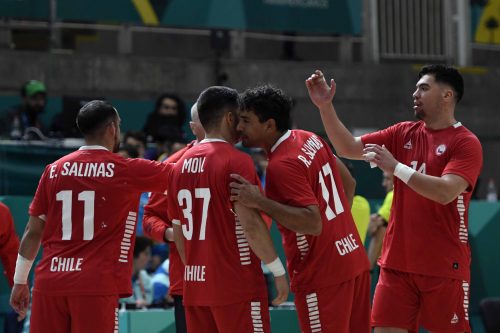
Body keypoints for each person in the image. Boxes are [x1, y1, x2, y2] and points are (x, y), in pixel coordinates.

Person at [305, 65, 483, 333]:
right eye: (416, 87)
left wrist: (396, 167)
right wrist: (325, 107)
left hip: (443, 266)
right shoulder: (403, 133)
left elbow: (446, 192)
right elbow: (347, 148)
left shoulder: (465, 142)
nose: (415, 93)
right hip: (396, 266)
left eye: (423, 88)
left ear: (447, 96)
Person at [9, 100, 173, 332]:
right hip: (95, 283)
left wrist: (19, 281)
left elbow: (32, 231)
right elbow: (181, 173)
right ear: (112, 129)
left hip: (50, 282)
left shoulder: (53, 170)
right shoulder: (125, 168)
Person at [231, 84, 371, 333]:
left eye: (246, 121)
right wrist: (336, 231)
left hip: (322, 274)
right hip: (352, 260)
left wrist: (259, 201)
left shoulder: (280, 165)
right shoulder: (310, 137)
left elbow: (312, 223)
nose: (239, 128)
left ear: (269, 125)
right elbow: (349, 182)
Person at [167, 86, 289, 333]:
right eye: (240, 119)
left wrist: (197, 268)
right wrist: (277, 270)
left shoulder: (177, 166)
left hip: (195, 286)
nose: (242, 127)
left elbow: (178, 233)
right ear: (230, 119)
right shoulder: (236, 161)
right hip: (236, 285)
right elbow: (251, 225)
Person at [143, 102, 205, 333]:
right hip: (188, 282)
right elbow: (149, 217)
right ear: (193, 127)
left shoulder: (239, 163)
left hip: (232, 281)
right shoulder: (172, 165)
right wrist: (169, 233)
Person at [367, 172, 393, 270]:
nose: (383, 184)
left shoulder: (393, 194)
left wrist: (368, 270)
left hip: (390, 263)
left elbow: (376, 228)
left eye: (387, 179)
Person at [121, 236, 154, 309]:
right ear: (135, 254)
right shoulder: (119, 277)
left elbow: (149, 301)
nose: (149, 258)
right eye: (146, 254)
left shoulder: (144, 277)